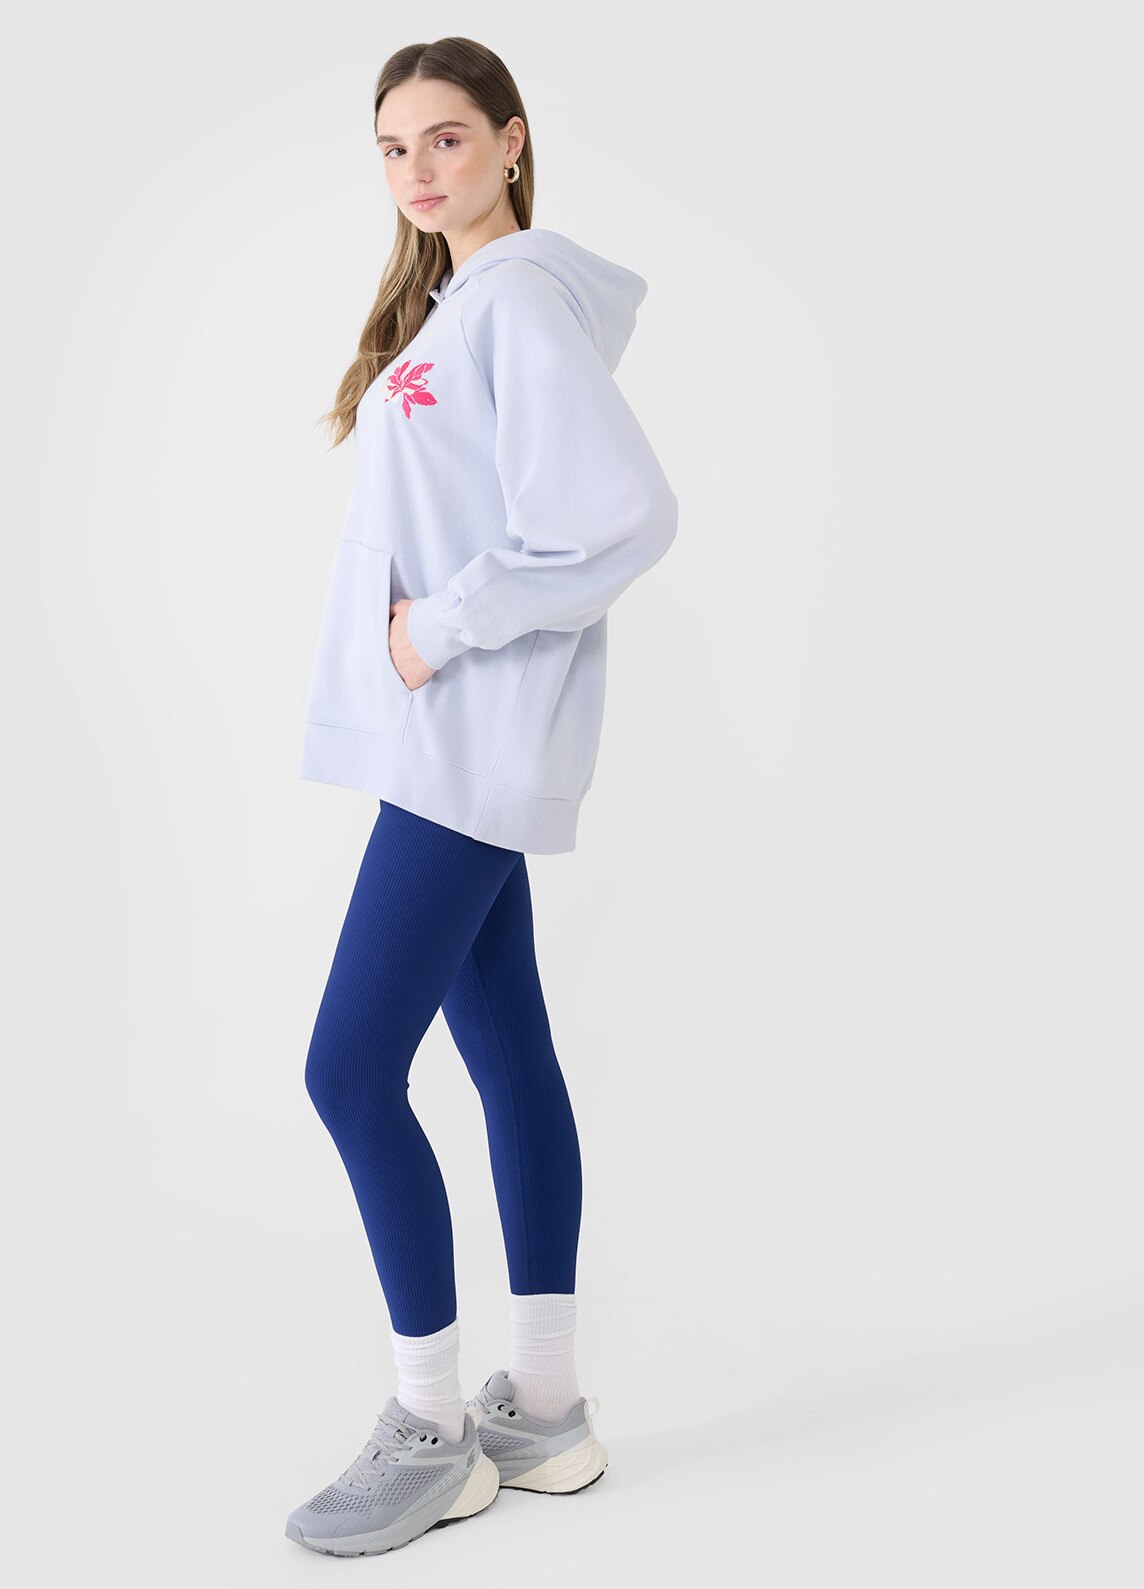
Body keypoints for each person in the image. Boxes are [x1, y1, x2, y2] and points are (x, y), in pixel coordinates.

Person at [286, 36, 678, 1558]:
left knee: (347, 1071)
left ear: (512, 142)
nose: (417, 169)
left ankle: (432, 1428)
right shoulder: (460, 304)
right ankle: (548, 1408)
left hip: (463, 742)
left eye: (445, 138)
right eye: (393, 148)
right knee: (509, 1050)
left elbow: (621, 516)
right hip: (450, 741)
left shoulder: (514, 302)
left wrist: (436, 631)